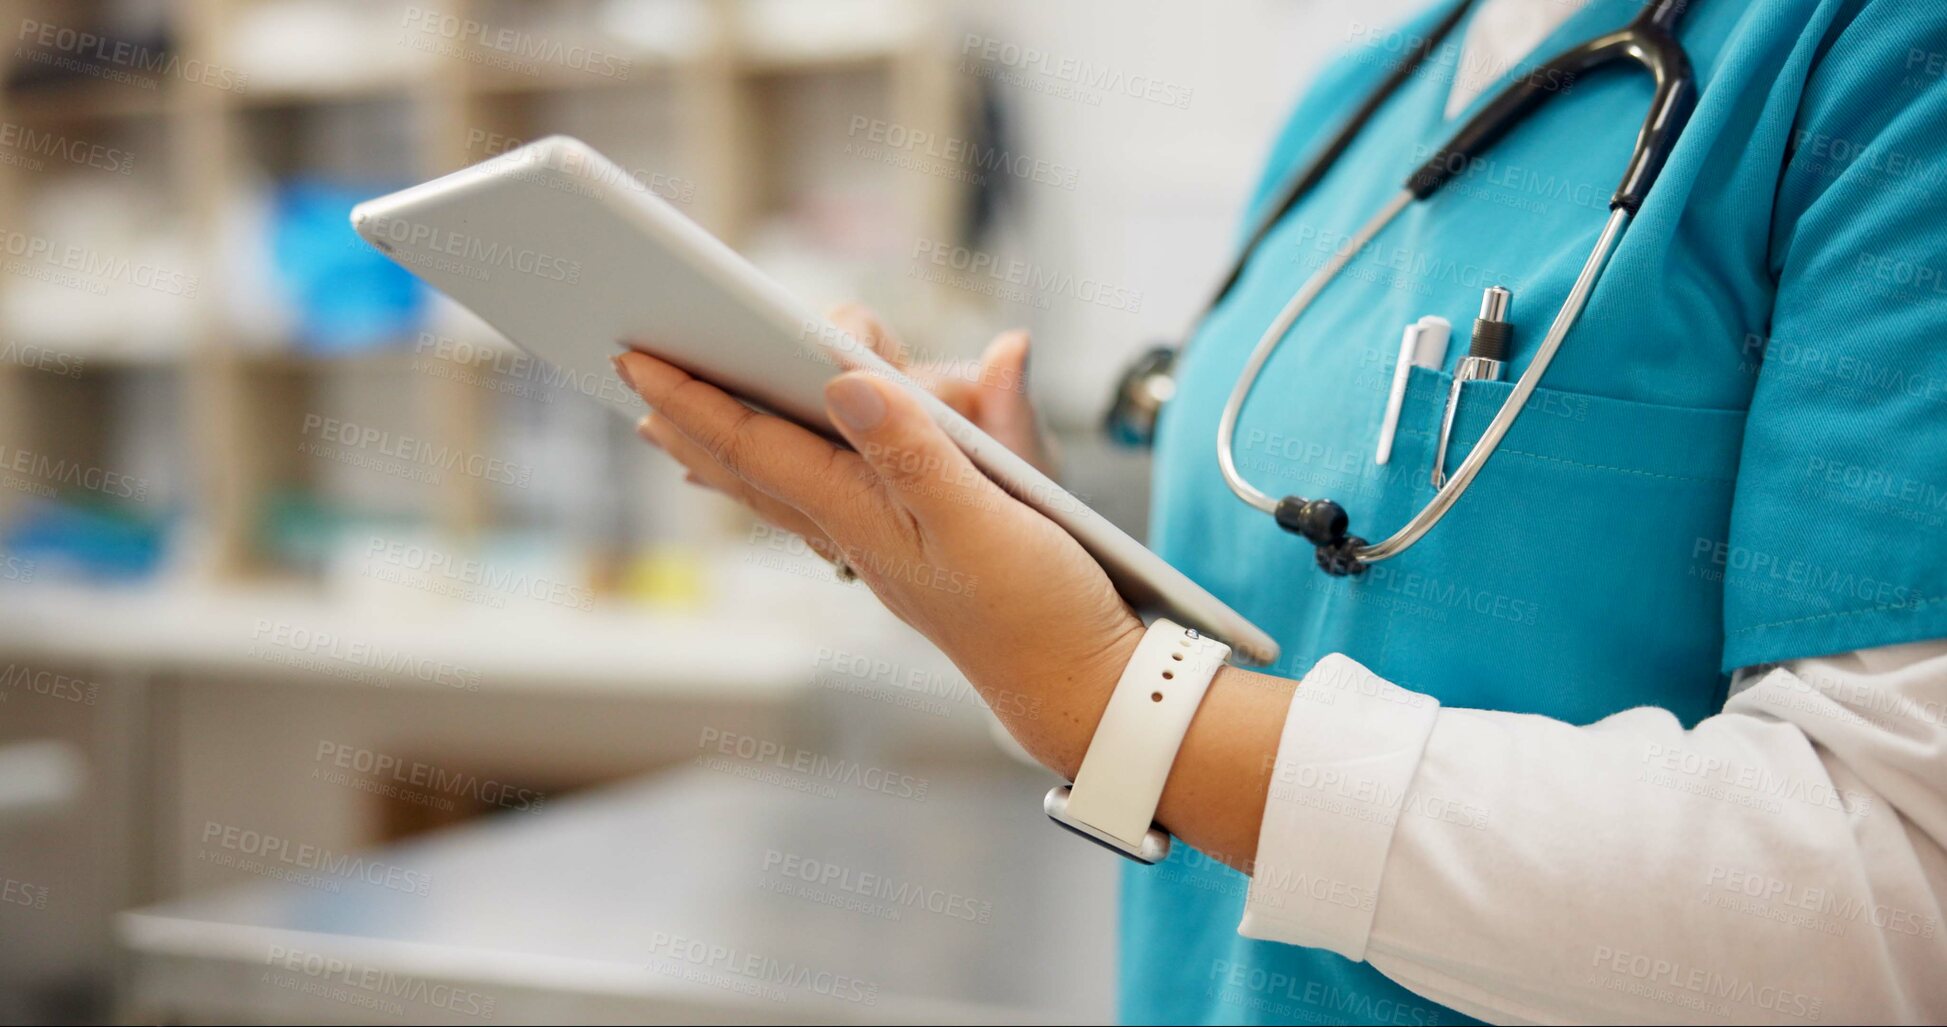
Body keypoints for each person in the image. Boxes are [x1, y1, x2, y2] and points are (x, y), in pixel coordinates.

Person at [612, 0, 1947, 1021]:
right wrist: (1018, 541)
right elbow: (1289, 643)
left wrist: (1102, 695)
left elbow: (1891, 891)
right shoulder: (1358, 109)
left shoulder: (1880, 59)